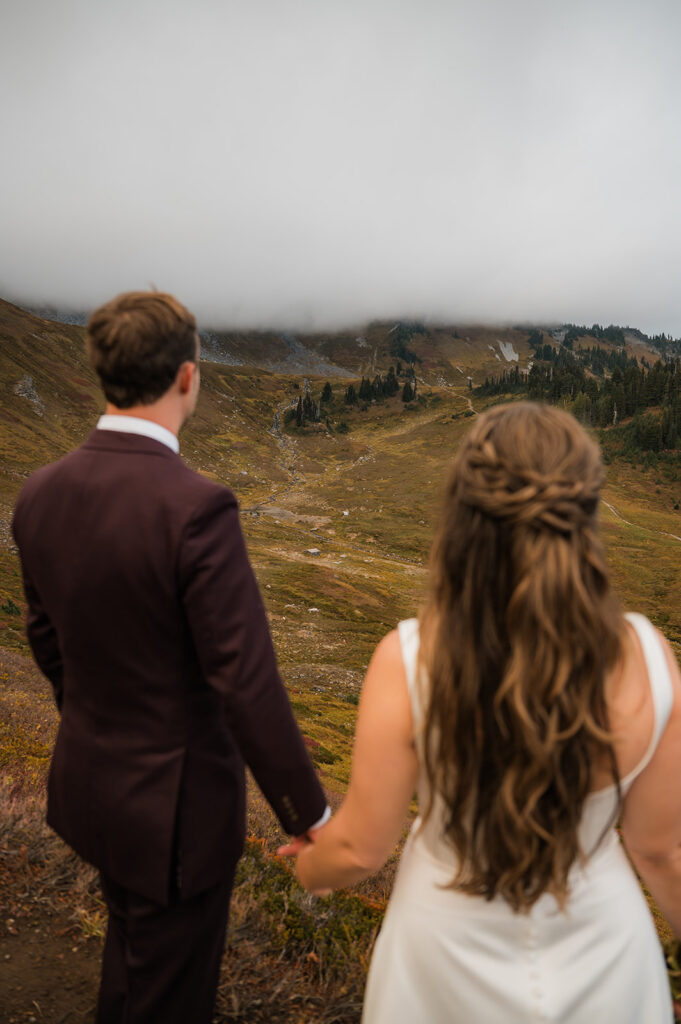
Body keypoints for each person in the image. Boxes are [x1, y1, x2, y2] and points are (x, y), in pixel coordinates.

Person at [282, 402, 681, 1022]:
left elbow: (361, 849)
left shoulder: (410, 658)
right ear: (585, 514)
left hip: (442, 956)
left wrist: (309, 868)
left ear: (464, 516)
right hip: (606, 957)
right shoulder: (648, 656)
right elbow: (663, 852)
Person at [12, 290, 328, 1024]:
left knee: (130, 959)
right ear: (188, 376)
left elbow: (45, 637)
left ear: (101, 373)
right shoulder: (196, 507)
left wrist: (99, 722)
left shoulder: (40, 491)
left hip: (92, 784)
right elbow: (244, 679)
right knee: (167, 993)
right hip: (176, 817)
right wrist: (304, 810)